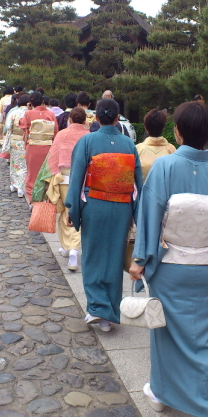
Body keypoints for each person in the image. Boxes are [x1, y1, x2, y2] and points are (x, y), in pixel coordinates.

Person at [129, 101, 208, 417]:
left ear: (177, 131)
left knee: (164, 331)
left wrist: (141, 260)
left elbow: (149, 215)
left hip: (169, 265)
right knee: (202, 338)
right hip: (204, 267)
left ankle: (163, 393)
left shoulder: (164, 167)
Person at [65, 99, 142, 332]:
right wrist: (136, 215)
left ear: (96, 118)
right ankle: (109, 311)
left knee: (93, 256)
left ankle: (98, 309)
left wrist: (73, 209)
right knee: (114, 257)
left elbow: (77, 178)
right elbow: (138, 187)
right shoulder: (129, 145)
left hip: (95, 205)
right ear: (118, 118)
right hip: (121, 208)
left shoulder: (87, 141)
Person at [34, 108, 90, 271]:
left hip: (63, 179)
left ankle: (68, 248)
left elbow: (52, 158)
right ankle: (73, 248)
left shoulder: (62, 134)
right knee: (79, 214)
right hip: (84, 180)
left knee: (66, 212)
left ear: (70, 120)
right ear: (85, 121)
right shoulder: (89, 136)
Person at [19, 91, 58, 203]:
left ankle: (32, 200)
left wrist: (29, 109)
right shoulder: (51, 114)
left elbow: (22, 125)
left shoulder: (28, 114)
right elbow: (55, 132)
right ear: (42, 101)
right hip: (47, 147)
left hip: (33, 147)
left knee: (32, 174)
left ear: (31, 102)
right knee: (46, 174)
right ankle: (44, 200)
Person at [136, 109, 176, 182]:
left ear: (146, 128)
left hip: (143, 192)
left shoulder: (137, 149)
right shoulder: (172, 149)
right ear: (163, 128)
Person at [5, 94, 30, 198]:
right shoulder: (29, 113)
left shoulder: (14, 113)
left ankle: (13, 184)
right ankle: (21, 186)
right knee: (24, 164)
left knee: (14, 162)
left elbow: (8, 126)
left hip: (15, 140)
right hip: (26, 140)